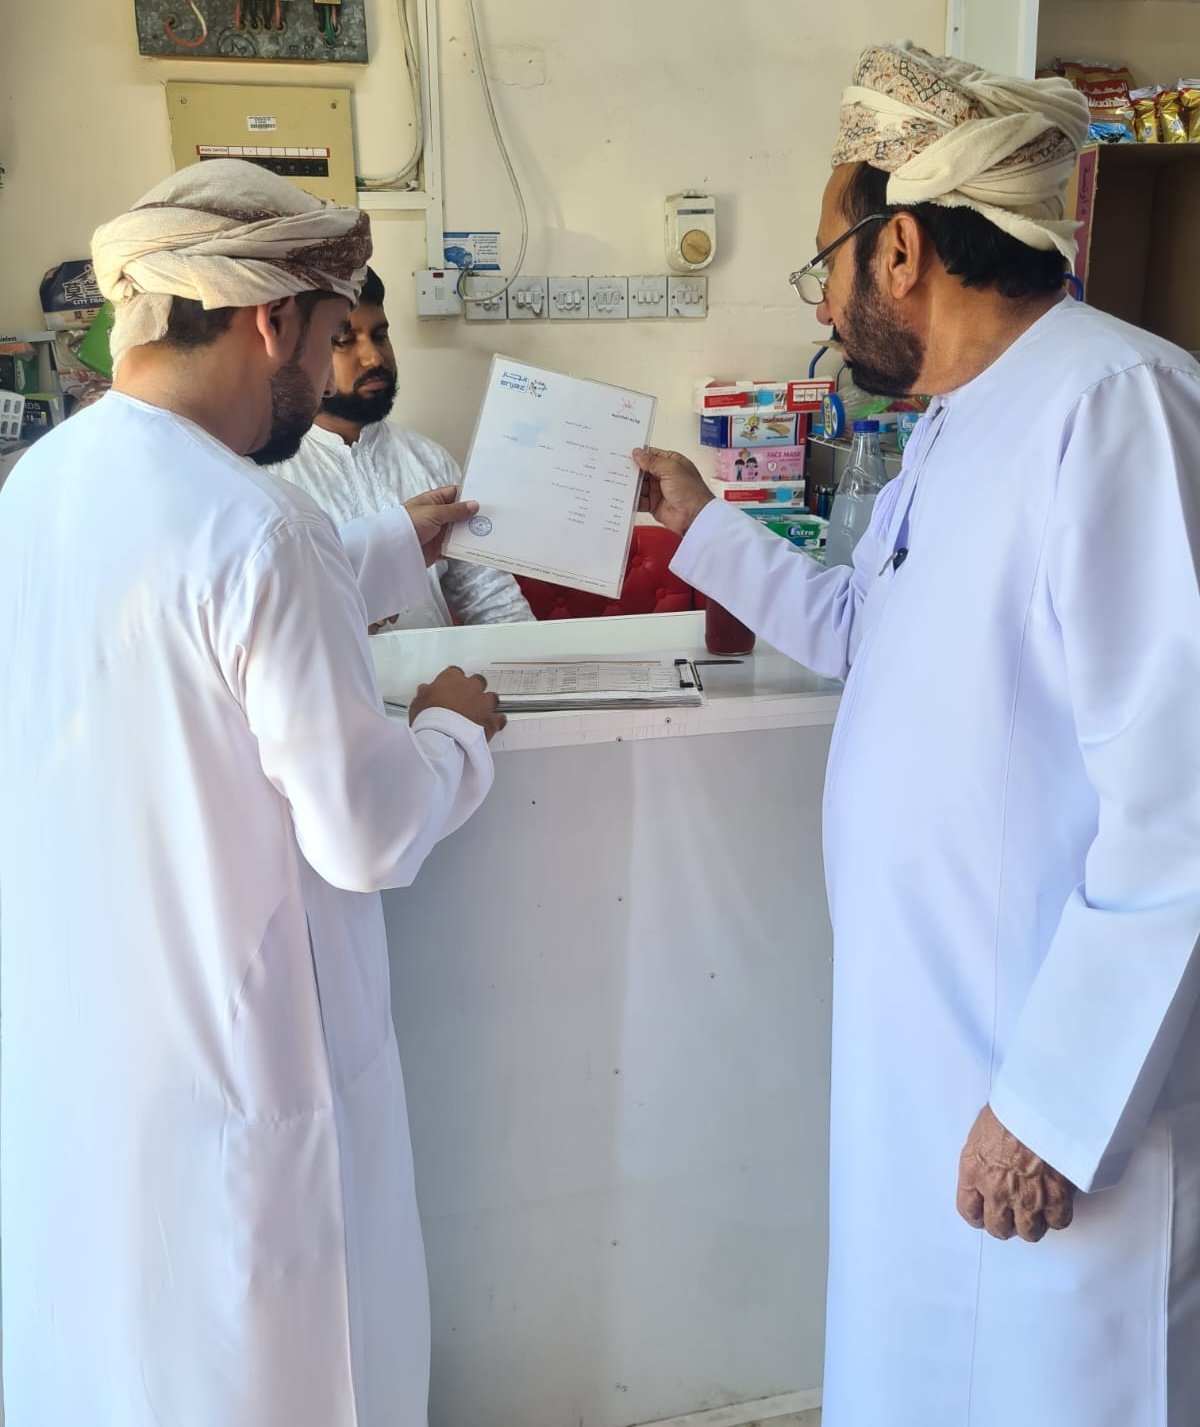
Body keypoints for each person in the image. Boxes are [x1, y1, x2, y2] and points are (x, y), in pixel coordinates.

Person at [635, 43, 1200, 1426]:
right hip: (934, 1059)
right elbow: (864, 627)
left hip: (1055, 1096)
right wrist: (703, 521)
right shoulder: (956, 426)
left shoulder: (1115, 406)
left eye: (822, 264)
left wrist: (1055, 1104)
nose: (824, 306)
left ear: (899, 249)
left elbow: (1182, 800)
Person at [0, 158, 506, 1427]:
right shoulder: (262, 525)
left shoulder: (43, 484)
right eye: (333, 336)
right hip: (249, 1077)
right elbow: (368, 831)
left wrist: (387, 545)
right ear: (273, 321)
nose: (334, 369)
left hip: (96, 1058)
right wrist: (450, 732)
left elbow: (180, 621)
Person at [273, 266, 533, 630]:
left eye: (380, 336)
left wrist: (534, 659)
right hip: (339, 669)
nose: (374, 358)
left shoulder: (429, 460)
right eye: (344, 341)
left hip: (443, 668)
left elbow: (491, 599)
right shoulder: (270, 476)